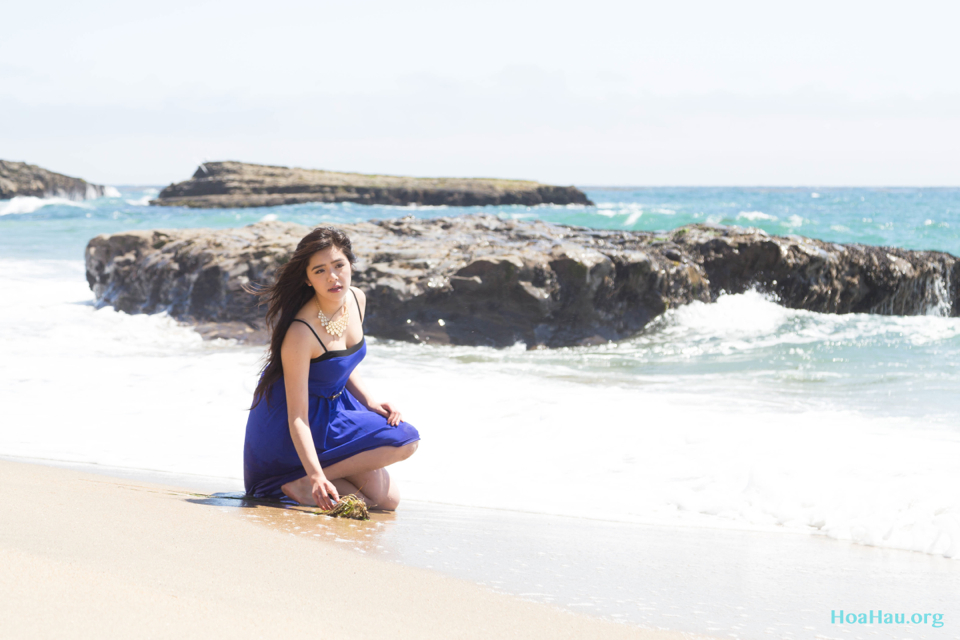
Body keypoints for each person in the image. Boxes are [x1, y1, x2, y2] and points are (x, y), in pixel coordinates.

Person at [243, 226, 420, 510]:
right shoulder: (301, 333)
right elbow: (297, 417)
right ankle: (301, 481)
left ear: (350, 264)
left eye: (339, 265)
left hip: (335, 409)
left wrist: (369, 400)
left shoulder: (356, 299)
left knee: (387, 501)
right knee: (405, 440)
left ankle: (314, 479)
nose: (333, 277)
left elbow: (341, 364)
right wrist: (315, 476)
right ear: (308, 279)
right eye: (320, 271)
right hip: (292, 430)